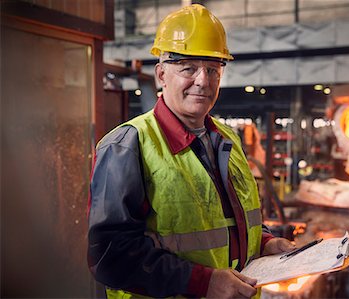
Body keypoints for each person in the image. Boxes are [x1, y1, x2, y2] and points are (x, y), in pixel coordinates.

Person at [87, 4, 294, 299]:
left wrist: (264, 243)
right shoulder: (127, 145)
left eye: (213, 69)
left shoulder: (227, 139)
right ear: (161, 74)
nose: (203, 81)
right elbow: (111, 258)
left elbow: (220, 225)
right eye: (189, 68)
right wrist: (202, 282)